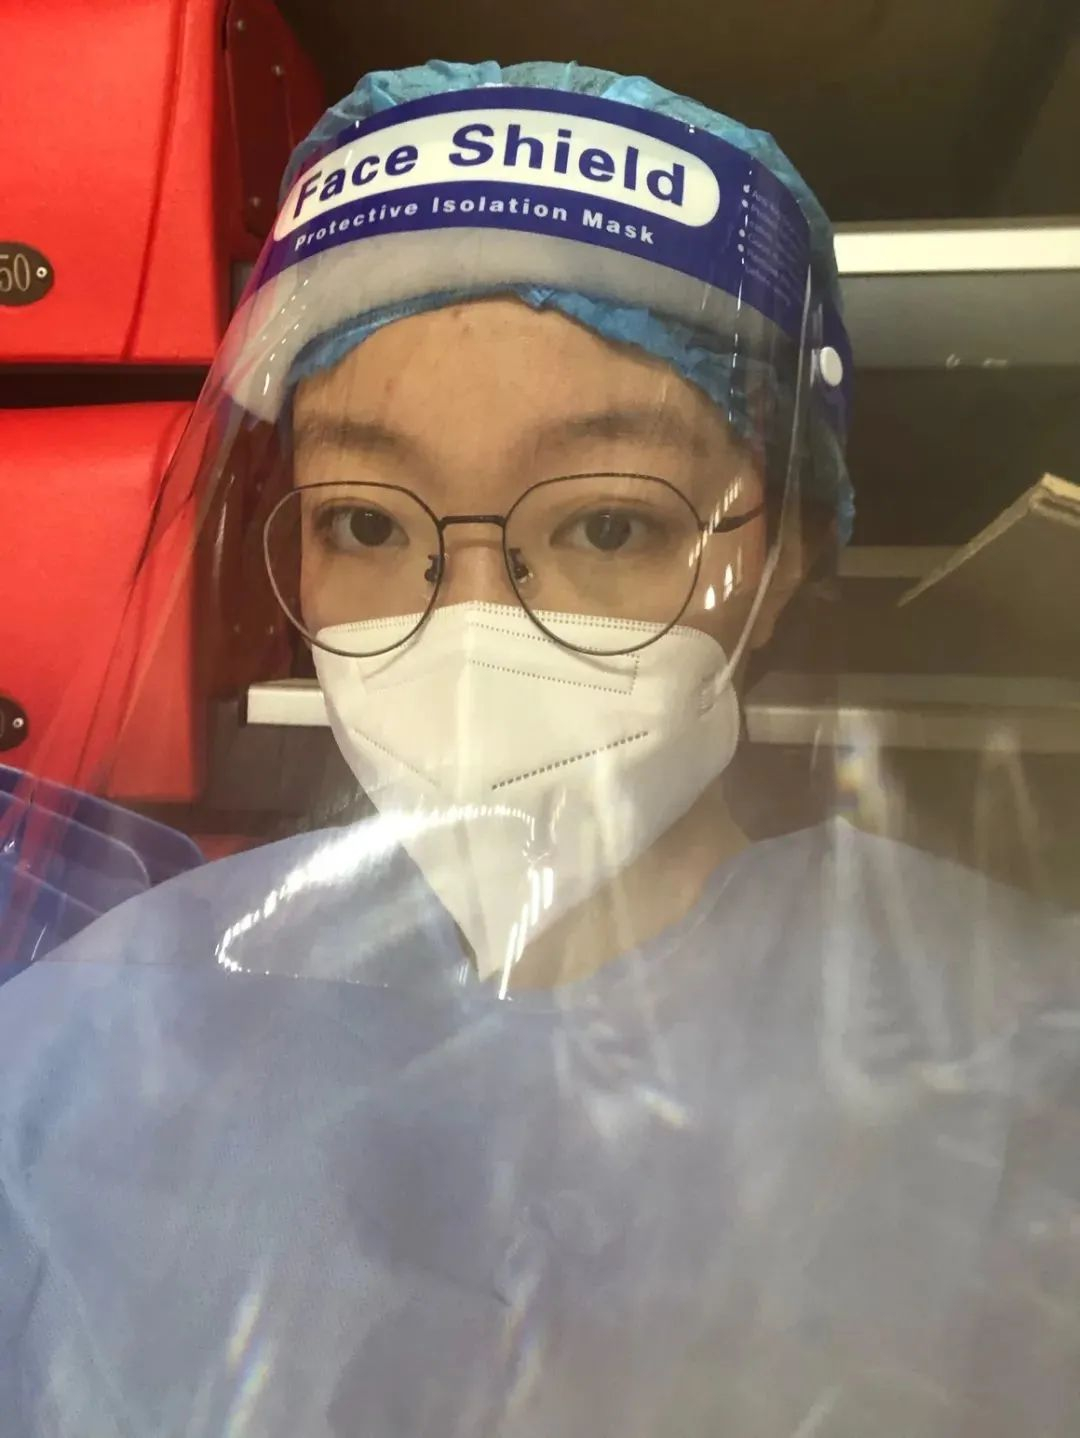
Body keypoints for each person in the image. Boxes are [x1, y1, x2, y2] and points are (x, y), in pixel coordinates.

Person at [1, 60, 1077, 1437]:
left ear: (788, 554)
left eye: (608, 524)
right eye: (366, 523)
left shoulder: (1018, 1077)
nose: (471, 629)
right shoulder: (96, 1047)